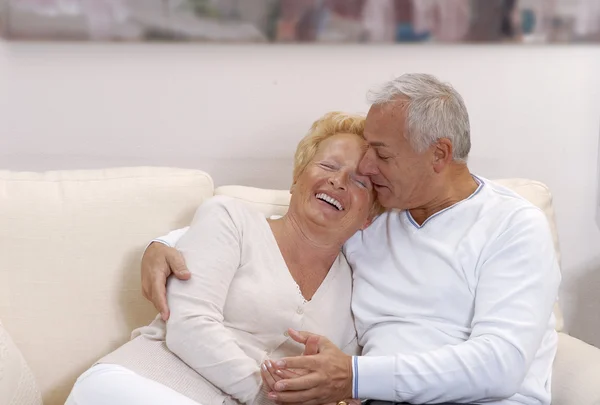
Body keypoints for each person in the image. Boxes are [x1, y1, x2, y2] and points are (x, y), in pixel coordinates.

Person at [143, 73, 561, 405]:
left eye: (382, 153)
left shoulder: (513, 225)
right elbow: (281, 234)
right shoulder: (373, 221)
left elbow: (500, 365)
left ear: (439, 154)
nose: (367, 165)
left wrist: (355, 377)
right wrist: (164, 246)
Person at [63, 111, 381, 405]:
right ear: (296, 178)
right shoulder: (231, 218)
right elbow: (189, 326)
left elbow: (340, 382)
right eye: (327, 166)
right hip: (139, 385)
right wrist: (267, 397)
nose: (338, 181)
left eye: (360, 181)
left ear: (369, 215)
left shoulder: (357, 289)